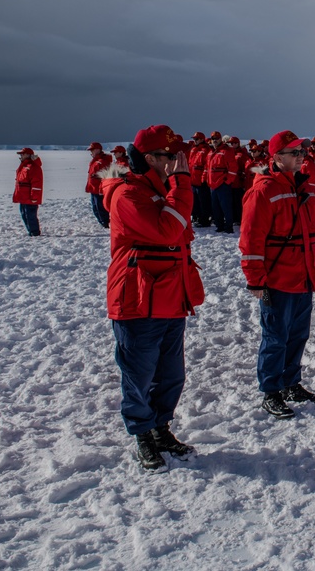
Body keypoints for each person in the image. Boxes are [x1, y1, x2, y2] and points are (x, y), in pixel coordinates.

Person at [103, 124, 204, 472]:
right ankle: (141, 433)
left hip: (171, 296)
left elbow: (180, 230)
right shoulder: (127, 194)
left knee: (171, 373)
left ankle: (161, 427)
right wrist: (181, 185)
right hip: (138, 299)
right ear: (150, 158)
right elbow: (168, 230)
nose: (179, 161)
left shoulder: (162, 190)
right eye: (171, 156)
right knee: (139, 373)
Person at [240, 130, 315, 419]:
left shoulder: (304, 189)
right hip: (276, 280)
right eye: (294, 153)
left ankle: (291, 382)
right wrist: (255, 279)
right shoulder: (263, 191)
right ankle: (271, 391)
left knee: (298, 335)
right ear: (277, 157)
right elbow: (251, 240)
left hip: (302, 276)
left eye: (301, 152)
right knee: (275, 336)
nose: (300, 156)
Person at [207, 132, 238, 233]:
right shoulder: (211, 152)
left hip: (222, 184)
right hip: (213, 185)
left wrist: (227, 181)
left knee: (226, 207)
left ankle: (229, 227)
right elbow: (208, 168)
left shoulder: (226, 151)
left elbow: (233, 168)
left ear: (220, 139)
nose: (214, 140)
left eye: (216, 138)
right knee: (215, 207)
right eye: (213, 138)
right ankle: (219, 226)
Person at [13, 147, 43, 236]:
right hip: (23, 197)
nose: (21, 156)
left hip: (29, 197)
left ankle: (34, 233)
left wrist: (34, 197)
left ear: (28, 155)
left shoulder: (33, 167)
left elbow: (36, 184)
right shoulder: (24, 166)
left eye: (23, 154)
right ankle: (31, 231)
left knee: (30, 216)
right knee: (24, 214)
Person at [85, 142, 113, 228]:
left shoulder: (102, 161)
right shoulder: (96, 160)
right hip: (93, 188)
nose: (91, 152)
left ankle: (105, 222)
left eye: (92, 150)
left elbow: (105, 174)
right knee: (95, 207)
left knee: (100, 206)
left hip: (99, 189)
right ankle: (102, 221)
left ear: (98, 150)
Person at [187, 132, 212, 227]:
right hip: (193, 179)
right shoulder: (193, 149)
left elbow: (207, 165)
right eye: (194, 139)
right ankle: (196, 217)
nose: (195, 140)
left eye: (197, 139)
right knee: (195, 200)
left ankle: (205, 219)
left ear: (202, 139)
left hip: (201, 181)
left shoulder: (206, 150)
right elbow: (190, 164)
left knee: (203, 201)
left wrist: (203, 178)